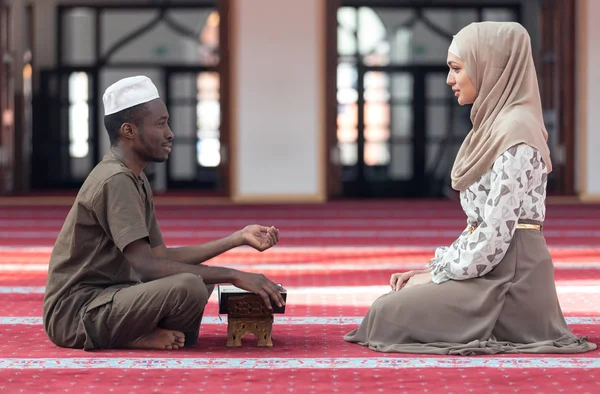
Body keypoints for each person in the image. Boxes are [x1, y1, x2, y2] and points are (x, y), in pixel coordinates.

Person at [344, 22, 597, 355]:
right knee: (391, 306)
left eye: (456, 68)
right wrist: (432, 270)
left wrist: (436, 277)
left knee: (388, 314)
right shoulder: (494, 127)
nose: (449, 79)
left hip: (511, 279)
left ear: (488, 65)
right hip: (491, 267)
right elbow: (480, 228)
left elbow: (495, 235)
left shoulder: (516, 131)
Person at [42, 75, 286, 351]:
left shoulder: (135, 177)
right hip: (76, 314)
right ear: (129, 131)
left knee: (199, 277)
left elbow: (161, 257)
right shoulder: (116, 180)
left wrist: (238, 238)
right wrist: (234, 275)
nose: (170, 133)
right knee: (191, 284)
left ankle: (142, 333)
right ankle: (131, 336)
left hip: (110, 298)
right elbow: (147, 268)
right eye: (161, 124)